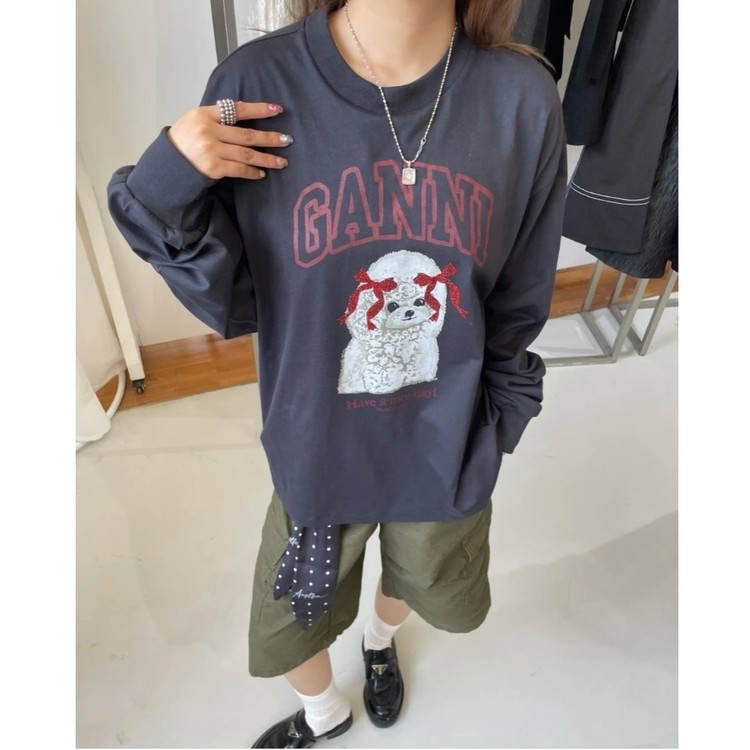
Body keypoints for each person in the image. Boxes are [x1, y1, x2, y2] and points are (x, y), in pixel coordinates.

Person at [107, 0, 568, 746]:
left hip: (447, 442)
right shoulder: (259, 85)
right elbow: (236, 301)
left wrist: (500, 421)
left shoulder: (520, 98)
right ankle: (324, 712)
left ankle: (379, 645)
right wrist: (168, 177)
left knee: (422, 576)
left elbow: (519, 293)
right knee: (291, 617)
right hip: (317, 443)